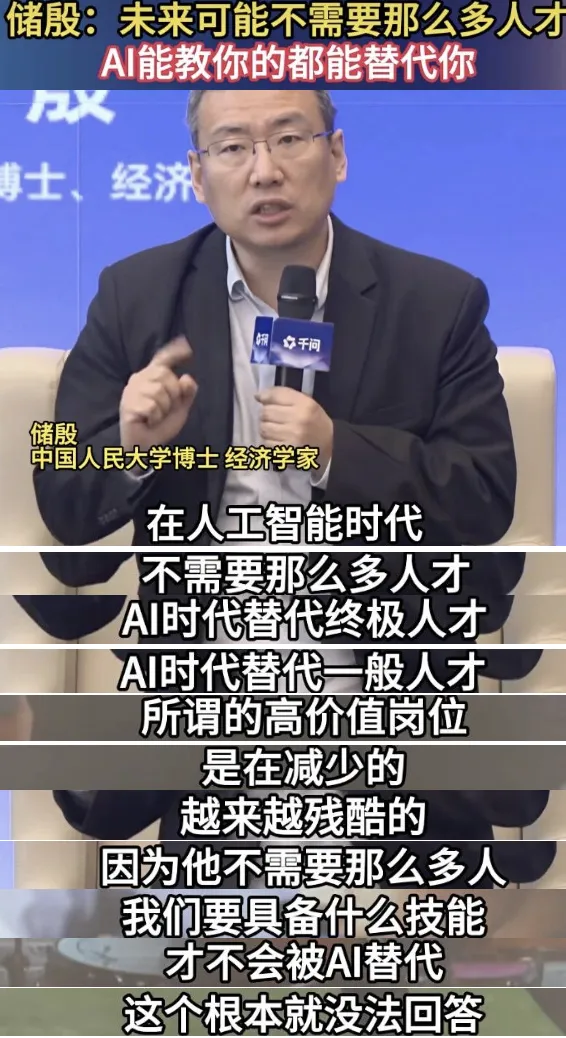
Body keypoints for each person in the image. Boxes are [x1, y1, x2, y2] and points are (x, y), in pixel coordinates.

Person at [33, 88, 551, 884]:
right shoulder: (134, 295)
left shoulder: (438, 303)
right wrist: (129, 448)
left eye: (288, 139)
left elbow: (483, 495)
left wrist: (340, 452)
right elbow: (62, 488)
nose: (264, 171)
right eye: (233, 147)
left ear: (336, 156)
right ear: (197, 176)